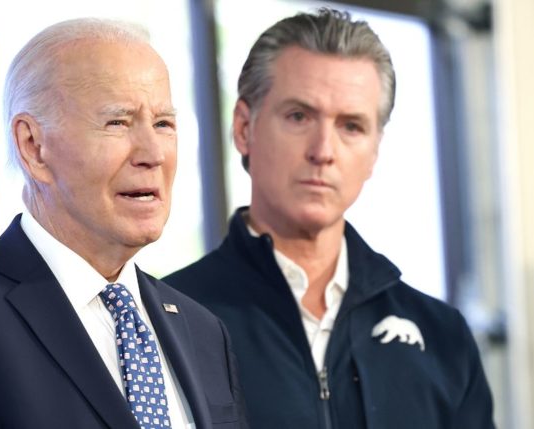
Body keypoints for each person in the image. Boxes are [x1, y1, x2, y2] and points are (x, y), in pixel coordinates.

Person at [0, 18, 246, 429]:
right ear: (34, 147)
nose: (152, 152)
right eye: (118, 122)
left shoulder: (204, 331)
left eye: (163, 124)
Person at [164, 8, 494, 429]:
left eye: (351, 126)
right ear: (245, 128)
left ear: (374, 151)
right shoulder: (169, 324)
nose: (323, 150)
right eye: (299, 116)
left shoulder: (443, 337)